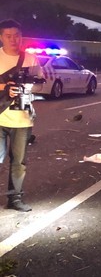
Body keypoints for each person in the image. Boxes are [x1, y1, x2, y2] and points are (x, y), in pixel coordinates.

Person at [0, 19, 40, 212]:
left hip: (22, 118)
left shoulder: (30, 59)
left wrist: (28, 89)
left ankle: (15, 199)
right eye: (8, 36)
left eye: (17, 36)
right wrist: (5, 88)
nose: (13, 39)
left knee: (19, 162)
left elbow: (40, 84)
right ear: (1, 38)